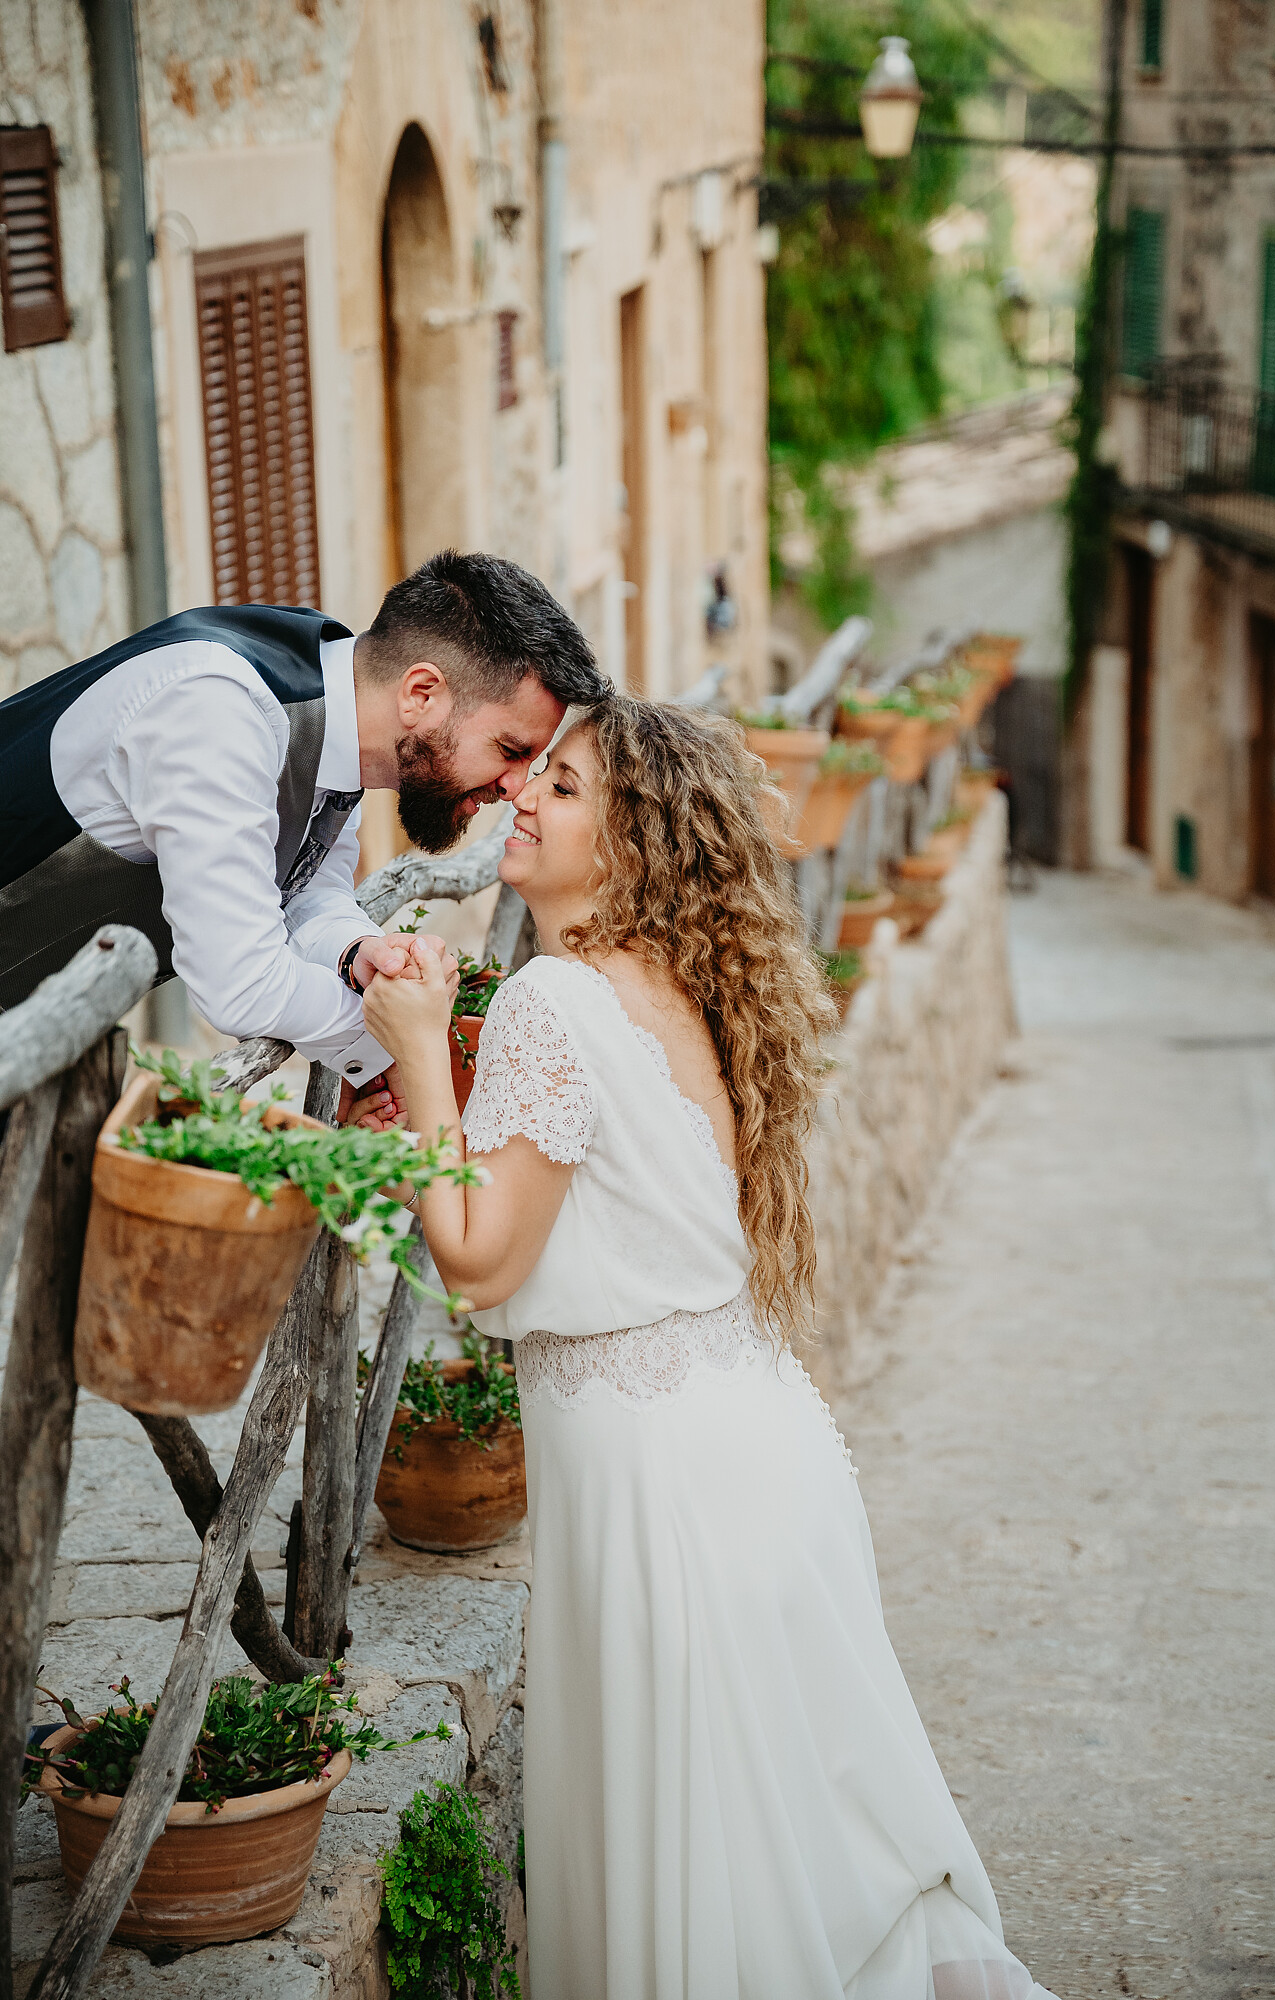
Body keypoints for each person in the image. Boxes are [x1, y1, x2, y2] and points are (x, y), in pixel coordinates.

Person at [354, 696, 1060, 2000]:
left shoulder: (557, 1001)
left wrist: (416, 1057)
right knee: (792, 1858)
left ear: (632, 839)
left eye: (561, 790)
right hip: (762, 1450)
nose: (522, 799)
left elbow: (478, 1256)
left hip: (661, 1490)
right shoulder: (686, 990)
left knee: (710, 1884)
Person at [0, 550, 608, 1108]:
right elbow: (240, 984)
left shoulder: (340, 718)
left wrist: (356, 955)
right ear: (421, 693)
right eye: (509, 748)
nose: (514, 786)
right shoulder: (219, 712)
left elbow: (308, 894)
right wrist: (404, 1046)